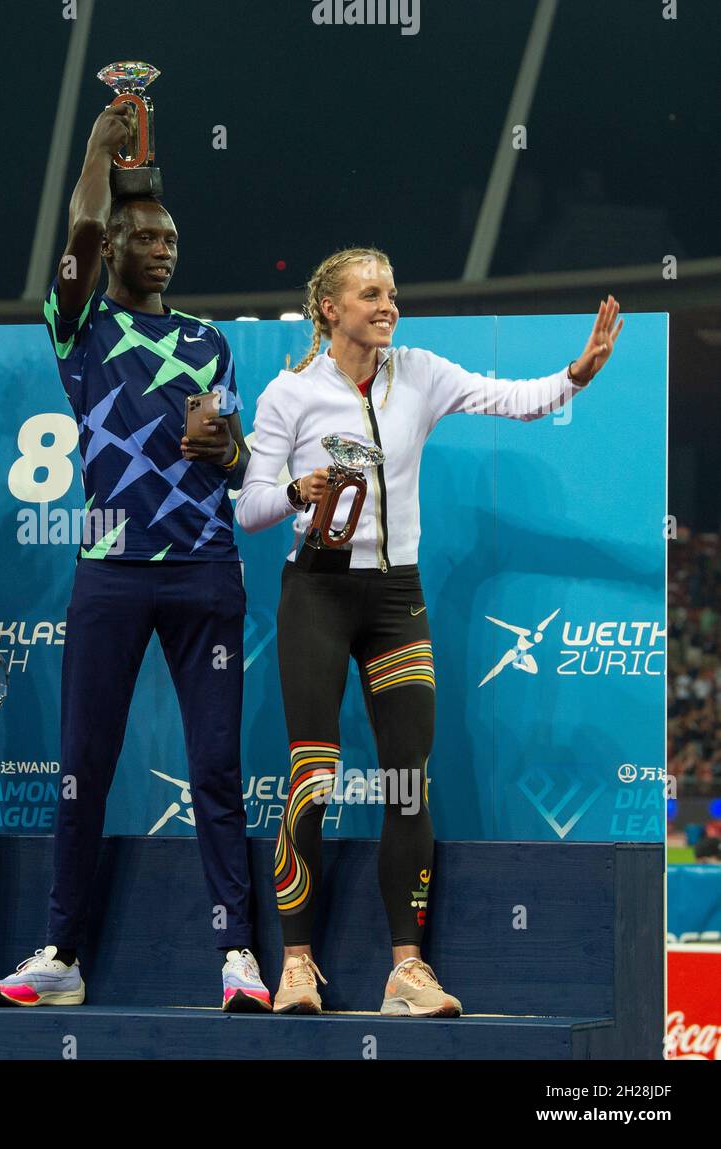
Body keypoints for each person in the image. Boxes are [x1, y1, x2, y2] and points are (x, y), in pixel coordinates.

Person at [236, 246, 622, 1015]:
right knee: (312, 777)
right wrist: (294, 489)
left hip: (394, 599)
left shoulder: (421, 372)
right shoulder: (290, 392)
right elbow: (247, 508)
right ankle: (299, 965)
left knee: (408, 782)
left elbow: (513, 398)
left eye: (393, 292)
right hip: (315, 593)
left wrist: (575, 375)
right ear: (330, 310)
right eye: (371, 293)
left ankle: (406, 972)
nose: (388, 305)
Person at [0, 105, 271, 1012]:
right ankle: (62, 953)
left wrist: (223, 448)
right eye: (141, 234)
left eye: (169, 235)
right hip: (111, 569)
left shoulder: (210, 340)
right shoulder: (81, 330)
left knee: (216, 768)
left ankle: (239, 956)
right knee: (83, 765)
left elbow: (243, 467)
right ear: (109, 248)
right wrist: (97, 157)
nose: (161, 246)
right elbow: (74, 233)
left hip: (204, 567)